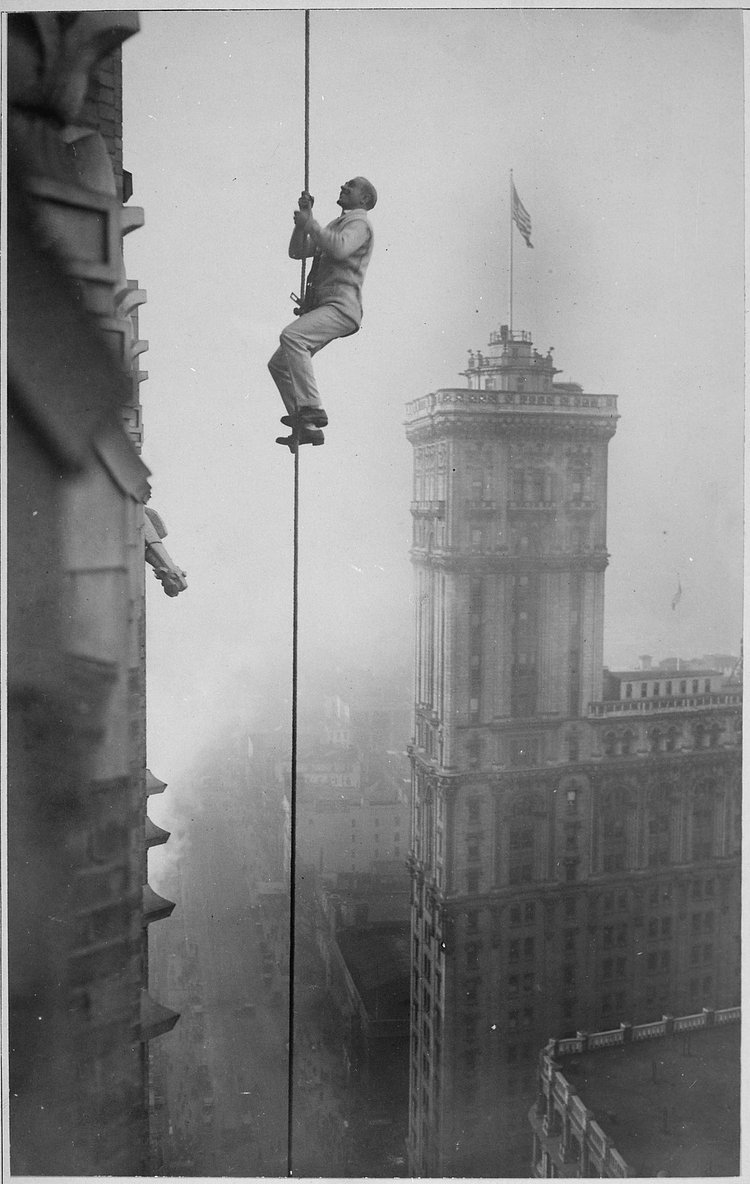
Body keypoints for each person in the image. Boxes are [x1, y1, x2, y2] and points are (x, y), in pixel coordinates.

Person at [269, 176, 376, 449]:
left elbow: (339, 248)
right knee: (279, 364)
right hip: (329, 306)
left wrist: (311, 224)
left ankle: (312, 409)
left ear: (364, 199)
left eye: (351, 186)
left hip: (341, 307)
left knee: (293, 336)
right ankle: (307, 427)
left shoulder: (359, 224)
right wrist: (303, 222)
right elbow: (297, 252)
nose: (343, 187)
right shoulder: (337, 225)